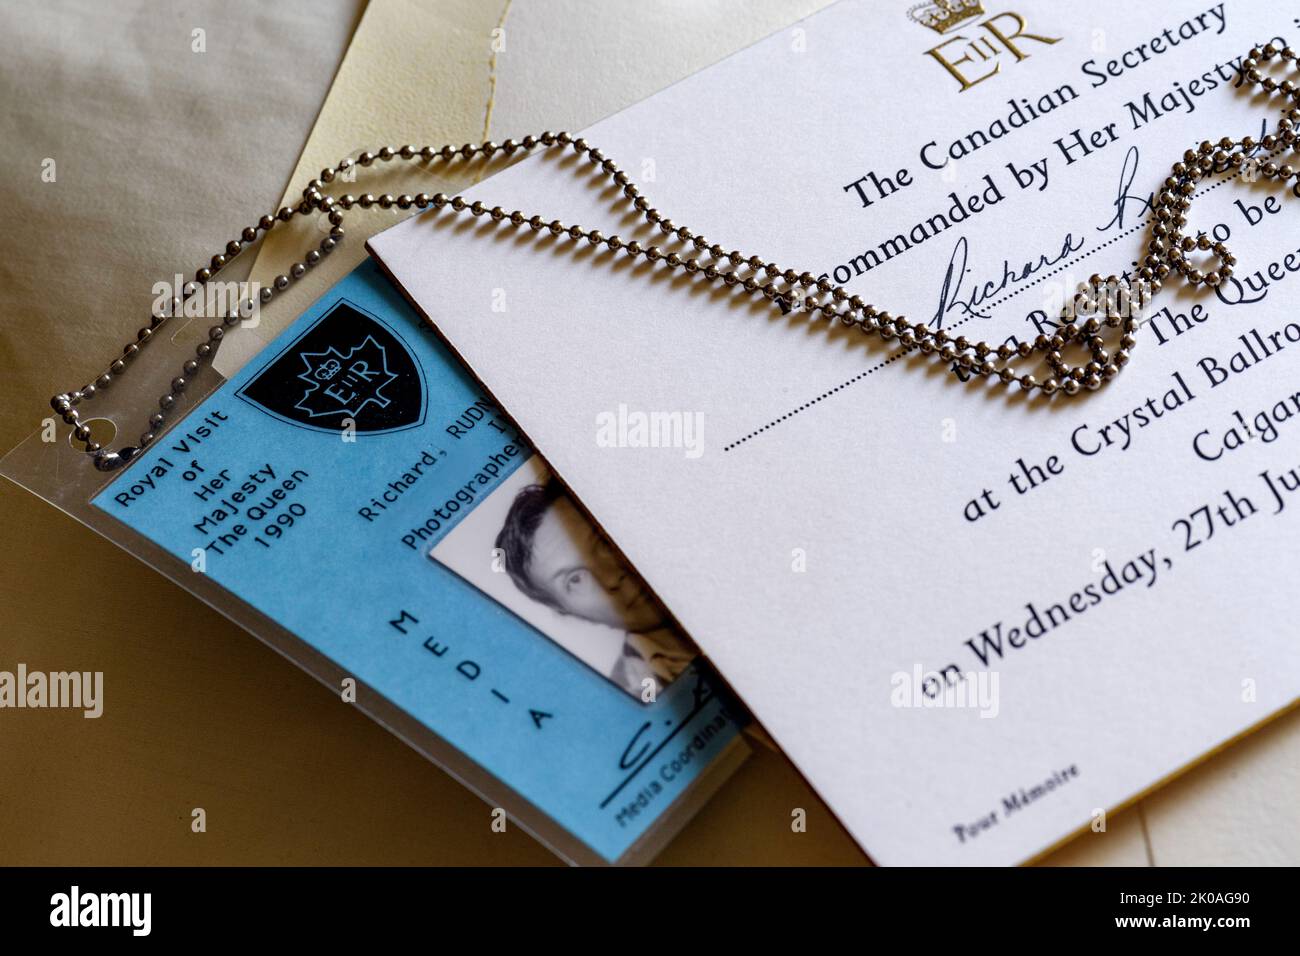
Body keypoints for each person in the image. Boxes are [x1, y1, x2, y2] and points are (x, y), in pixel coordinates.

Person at [495, 479, 693, 696]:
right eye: (575, 579)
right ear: (566, 610)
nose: (610, 578)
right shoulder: (626, 701)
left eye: (603, 542)